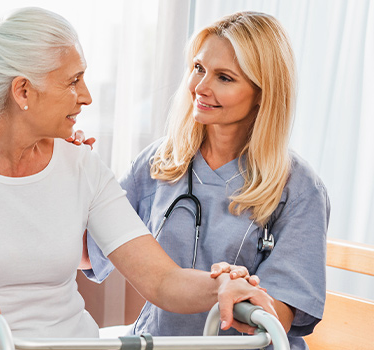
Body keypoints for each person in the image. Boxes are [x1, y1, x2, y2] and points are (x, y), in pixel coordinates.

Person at [0, 7, 276, 350]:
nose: (87, 97)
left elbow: (161, 281)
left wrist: (222, 286)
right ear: (23, 90)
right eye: (73, 81)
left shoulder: (81, 164)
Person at [81, 11, 330, 350]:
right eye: (198, 68)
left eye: (224, 78)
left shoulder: (297, 189)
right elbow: (88, 252)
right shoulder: (161, 162)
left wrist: (236, 288)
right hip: (159, 342)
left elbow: (277, 318)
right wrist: (70, 175)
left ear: (262, 92)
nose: (200, 87)